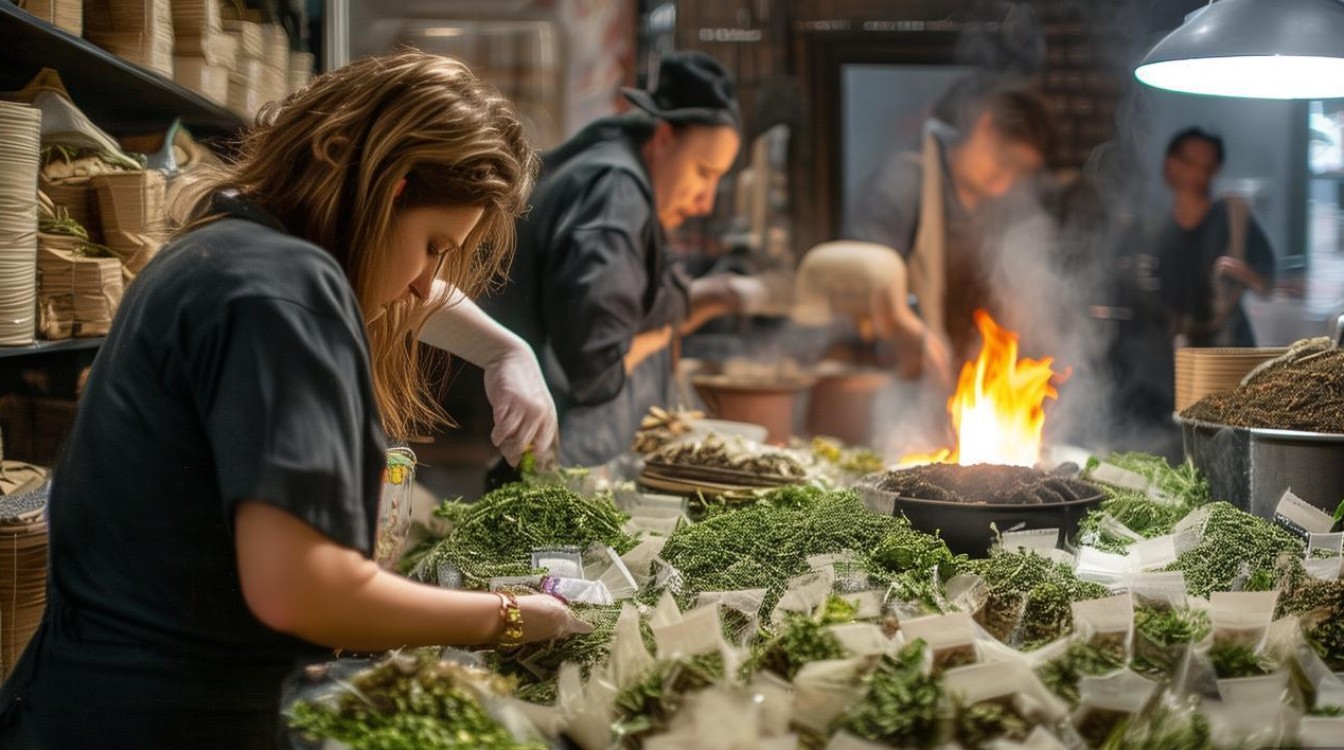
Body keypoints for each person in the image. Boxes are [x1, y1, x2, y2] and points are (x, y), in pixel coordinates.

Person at [0, 51, 590, 750]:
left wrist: (505, 349)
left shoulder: (226, 252)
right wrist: (518, 616)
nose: (423, 284)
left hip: (80, 704)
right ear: (387, 188)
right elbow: (309, 592)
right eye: (434, 247)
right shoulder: (284, 292)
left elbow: (393, 272)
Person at [483, 51, 762, 467]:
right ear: (664, 137)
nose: (705, 202)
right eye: (704, 173)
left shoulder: (615, 166)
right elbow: (597, 369)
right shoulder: (617, 193)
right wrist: (654, 339)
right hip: (557, 461)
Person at [831, 75, 1054, 378]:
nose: (1003, 186)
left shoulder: (1002, 213)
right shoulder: (906, 183)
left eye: (1017, 175)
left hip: (966, 384)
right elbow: (859, 281)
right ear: (984, 127)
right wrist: (906, 329)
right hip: (897, 381)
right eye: (1002, 163)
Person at [1154, 127, 1275, 348]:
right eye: (1189, 162)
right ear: (1170, 164)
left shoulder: (1233, 217)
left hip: (1229, 346)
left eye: (1206, 165)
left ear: (1216, 169)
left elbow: (1267, 285)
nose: (1197, 173)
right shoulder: (1153, 225)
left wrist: (1244, 274)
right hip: (1167, 350)